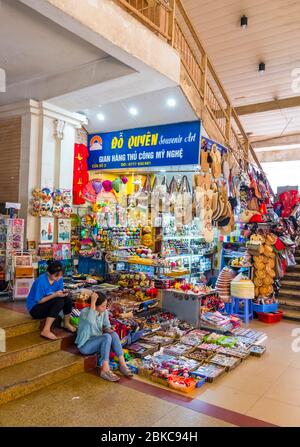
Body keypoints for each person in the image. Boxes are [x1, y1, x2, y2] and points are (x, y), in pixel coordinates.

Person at [75, 292, 133, 382]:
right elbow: (91, 321)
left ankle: (123, 365)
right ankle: (105, 369)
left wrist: (109, 329)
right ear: (95, 305)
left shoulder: (104, 312)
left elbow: (106, 325)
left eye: (105, 305)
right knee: (106, 337)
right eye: (102, 306)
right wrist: (93, 302)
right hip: (85, 346)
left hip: (96, 341)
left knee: (112, 334)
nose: (105, 308)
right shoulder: (85, 312)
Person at [26, 261, 76, 340]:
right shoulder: (41, 281)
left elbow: (59, 292)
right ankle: (46, 330)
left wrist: (64, 293)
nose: (59, 278)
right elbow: (39, 301)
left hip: (48, 304)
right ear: (48, 273)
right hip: (35, 309)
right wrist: (55, 295)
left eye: (60, 275)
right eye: (56, 276)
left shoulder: (59, 278)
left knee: (67, 299)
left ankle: (66, 323)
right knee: (59, 301)